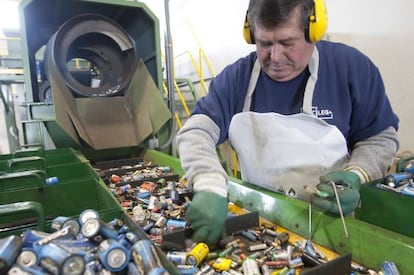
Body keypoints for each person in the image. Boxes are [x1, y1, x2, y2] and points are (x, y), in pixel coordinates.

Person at [176, 0, 399, 246]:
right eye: (265, 43)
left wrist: (356, 174)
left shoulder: (351, 69)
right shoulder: (236, 79)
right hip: (261, 228)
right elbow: (196, 131)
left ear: (313, 32)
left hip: (333, 229)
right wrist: (208, 180)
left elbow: (379, 138)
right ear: (251, 34)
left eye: (287, 43)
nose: (275, 57)